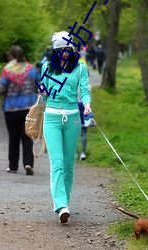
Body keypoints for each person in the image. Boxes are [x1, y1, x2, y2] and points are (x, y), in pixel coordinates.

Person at [39, 31, 91, 223]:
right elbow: (43, 96)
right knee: (58, 163)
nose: (63, 53)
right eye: (59, 50)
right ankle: (61, 205)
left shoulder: (80, 68)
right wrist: (42, 92)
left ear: (71, 49)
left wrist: (87, 104)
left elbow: (84, 90)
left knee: (69, 164)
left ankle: (65, 201)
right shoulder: (47, 67)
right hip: (51, 118)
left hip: (73, 118)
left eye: (66, 50)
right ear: (55, 51)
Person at [0, 45, 41, 175]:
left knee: (13, 138)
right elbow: (40, 86)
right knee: (27, 137)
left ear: (11, 57)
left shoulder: (7, 71)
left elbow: (0, 90)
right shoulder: (32, 70)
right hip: (28, 109)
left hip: (11, 109)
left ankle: (13, 166)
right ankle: (28, 163)